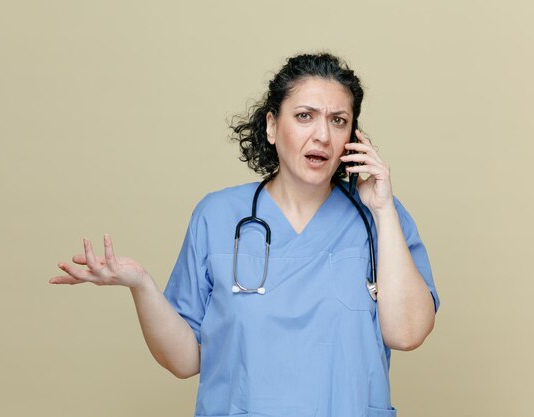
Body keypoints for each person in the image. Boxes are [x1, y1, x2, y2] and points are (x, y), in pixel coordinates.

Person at [49, 52, 440, 417]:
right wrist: (141, 285)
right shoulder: (217, 217)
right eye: (305, 116)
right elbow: (186, 361)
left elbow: (406, 334)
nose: (323, 135)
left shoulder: (378, 217)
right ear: (271, 126)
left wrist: (384, 209)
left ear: (352, 136)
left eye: (339, 120)